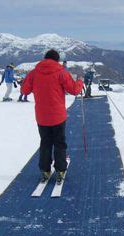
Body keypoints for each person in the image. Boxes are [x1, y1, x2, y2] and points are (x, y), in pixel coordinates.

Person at [21, 49, 83, 184]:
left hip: (42, 117)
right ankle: (60, 170)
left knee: (45, 143)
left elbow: (24, 90)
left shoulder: (34, 73)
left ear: (44, 59)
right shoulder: (61, 72)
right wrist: (80, 82)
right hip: (58, 116)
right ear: (57, 60)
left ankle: (45, 170)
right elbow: (74, 90)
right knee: (59, 143)